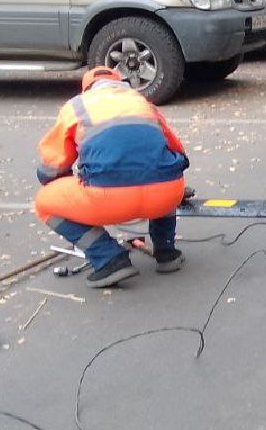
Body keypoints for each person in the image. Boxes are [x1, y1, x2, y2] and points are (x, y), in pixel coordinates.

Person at [34, 66, 189, 288]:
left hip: (109, 200)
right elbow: (178, 154)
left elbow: (51, 168)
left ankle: (108, 258)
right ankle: (166, 252)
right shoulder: (142, 103)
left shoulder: (77, 106)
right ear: (120, 83)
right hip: (163, 197)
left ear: (86, 88)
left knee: (44, 203)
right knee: (164, 175)